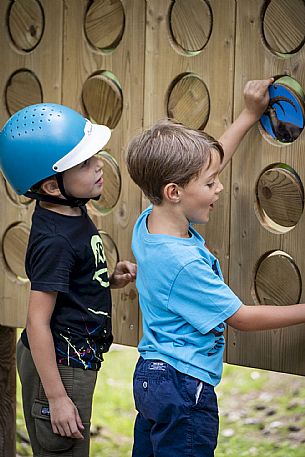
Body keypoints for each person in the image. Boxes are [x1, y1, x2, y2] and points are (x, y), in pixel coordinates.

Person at [126, 78, 305, 457]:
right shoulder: (184, 264)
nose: (219, 188)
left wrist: (248, 114)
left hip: (151, 378)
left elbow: (205, 162)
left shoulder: (149, 222)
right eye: (211, 183)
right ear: (174, 192)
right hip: (183, 386)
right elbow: (240, 317)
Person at [0, 103, 137, 457]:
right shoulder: (55, 240)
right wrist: (58, 398)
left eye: (96, 157)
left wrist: (107, 277)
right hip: (60, 368)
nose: (99, 167)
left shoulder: (69, 210)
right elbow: (37, 321)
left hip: (71, 361)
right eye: (85, 163)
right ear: (52, 185)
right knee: (64, 448)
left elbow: (70, 284)